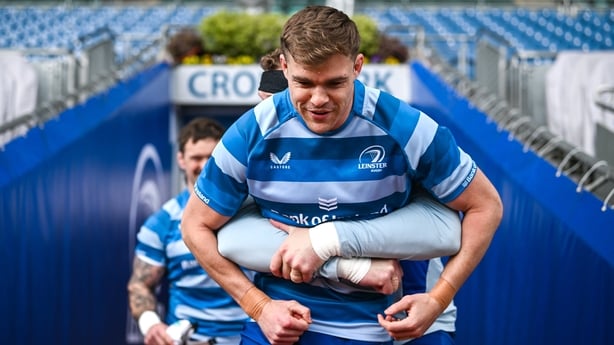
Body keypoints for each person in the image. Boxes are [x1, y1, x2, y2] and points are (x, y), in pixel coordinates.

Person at [182, 5, 502, 345]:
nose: (319, 99)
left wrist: (438, 300)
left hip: (395, 326)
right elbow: (194, 225)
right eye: (304, 83)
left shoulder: (405, 127)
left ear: (358, 66)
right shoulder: (251, 132)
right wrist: (259, 306)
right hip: (288, 327)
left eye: (335, 83)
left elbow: (486, 206)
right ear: (285, 68)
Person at [218, 49, 461, 345]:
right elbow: (227, 237)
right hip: (309, 321)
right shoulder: (260, 155)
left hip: (414, 314)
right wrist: (345, 265)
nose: (271, 121)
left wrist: (438, 299)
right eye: (262, 105)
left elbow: (450, 225)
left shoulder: (386, 149)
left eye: (277, 107)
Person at [127, 117, 250, 345]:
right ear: (181, 160)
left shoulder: (250, 212)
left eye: (211, 158)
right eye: (196, 158)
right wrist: (151, 324)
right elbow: (140, 284)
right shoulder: (161, 223)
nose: (203, 166)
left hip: (252, 337)